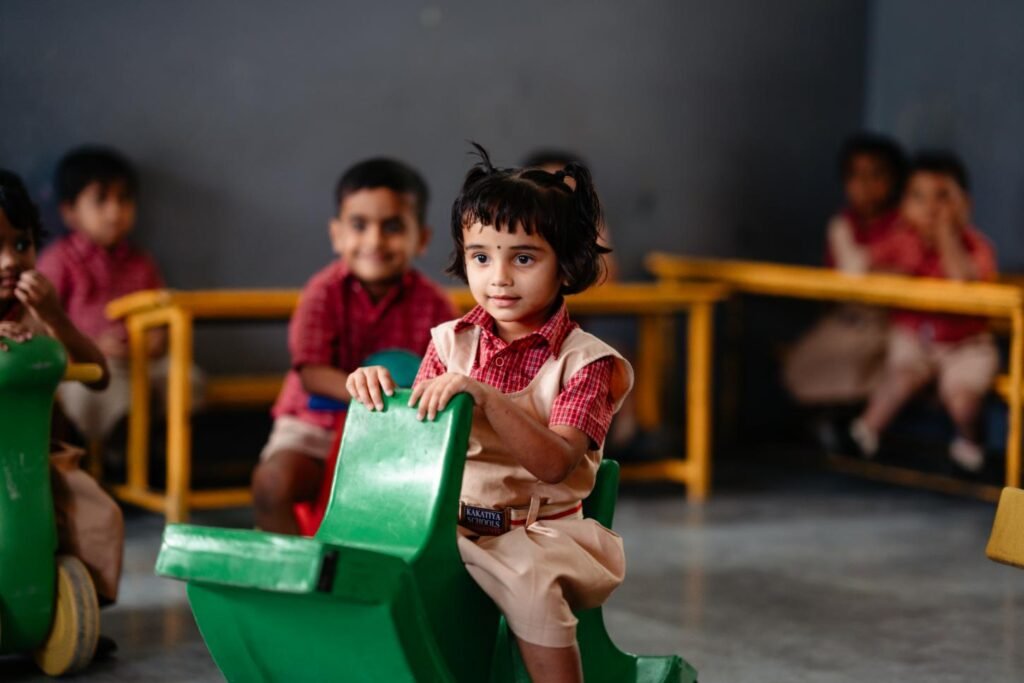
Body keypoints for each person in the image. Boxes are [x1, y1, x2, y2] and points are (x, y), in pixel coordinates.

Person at [348, 145, 633, 682]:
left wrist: (487, 397)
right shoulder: (448, 342)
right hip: (450, 524)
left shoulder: (586, 363)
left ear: (566, 264)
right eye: (481, 256)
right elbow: (423, 444)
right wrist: (378, 394)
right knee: (365, 574)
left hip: (537, 534)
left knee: (532, 592)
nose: (498, 276)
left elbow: (556, 465)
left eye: (523, 258)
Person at [251, 158, 457, 534]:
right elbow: (311, 372)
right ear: (337, 234)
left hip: (396, 431)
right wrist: (368, 392)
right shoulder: (322, 293)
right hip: (316, 427)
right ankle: (292, 580)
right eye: (359, 225)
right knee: (272, 484)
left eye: (393, 227)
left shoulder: (435, 305)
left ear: (422, 239)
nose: (374, 241)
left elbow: (448, 372)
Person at [0, 169, 123, 621]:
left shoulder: (33, 313)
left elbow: (98, 376)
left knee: (94, 515)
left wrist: (55, 317)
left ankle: (77, 609)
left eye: (20, 244)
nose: (9, 261)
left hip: (35, 458)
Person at [850, 151, 998, 471]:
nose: (931, 208)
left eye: (943, 197)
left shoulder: (975, 245)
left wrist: (946, 234)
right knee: (899, 378)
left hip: (965, 344)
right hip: (915, 338)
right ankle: (863, 435)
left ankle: (970, 443)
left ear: (964, 205)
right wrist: (896, 273)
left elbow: (961, 280)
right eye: (919, 197)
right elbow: (868, 269)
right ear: (903, 205)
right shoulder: (902, 240)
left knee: (963, 400)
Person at [37, 146, 189, 446]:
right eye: (101, 200)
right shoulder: (59, 260)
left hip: (140, 360)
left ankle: (157, 453)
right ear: (70, 211)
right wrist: (90, 346)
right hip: (89, 360)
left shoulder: (141, 263)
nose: (114, 212)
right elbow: (40, 323)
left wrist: (155, 341)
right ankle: (115, 454)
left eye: (124, 200)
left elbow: (161, 317)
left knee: (184, 380)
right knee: (99, 391)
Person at [783, 133, 907, 411]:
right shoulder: (842, 225)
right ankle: (832, 427)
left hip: (892, 325)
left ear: (895, 180)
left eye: (876, 175)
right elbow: (842, 278)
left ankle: (859, 430)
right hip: (849, 318)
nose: (864, 186)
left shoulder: (906, 226)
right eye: (855, 176)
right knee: (805, 365)